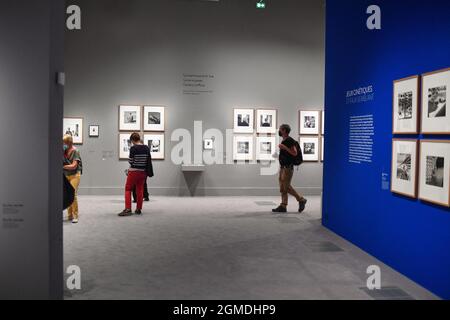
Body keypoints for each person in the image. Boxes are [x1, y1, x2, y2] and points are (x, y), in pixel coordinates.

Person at [272, 124, 307, 214]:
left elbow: (294, 153)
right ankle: (283, 206)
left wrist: (285, 148)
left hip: (288, 168)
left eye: (280, 129)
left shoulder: (289, 140)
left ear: (284, 130)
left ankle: (301, 199)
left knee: (286, 187)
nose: (279, 131)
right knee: (282, 187)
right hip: (283, 167)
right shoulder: (284, 140)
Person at [119, 133, 150, 217]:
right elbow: (147, 161)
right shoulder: (146, 148)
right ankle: (138, 209)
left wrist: (129, 168)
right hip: (143, 172)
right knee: (140, 190)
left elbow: (131, 161)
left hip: (133, 172)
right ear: (139, 139)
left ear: (132, 140)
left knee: (128, 189)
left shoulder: (133, 148)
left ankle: (128, 209)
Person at [63, 134, 83, 223]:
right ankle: (69, 215)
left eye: (65, 143)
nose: (63, 144)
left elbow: (74, 166)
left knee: (73, 194)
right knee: (67, 195)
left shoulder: (75, 151)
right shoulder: (64, 151)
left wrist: (63, 167)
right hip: (66, 174)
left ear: (69, 142)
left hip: (75, 175)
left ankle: (75, 215)